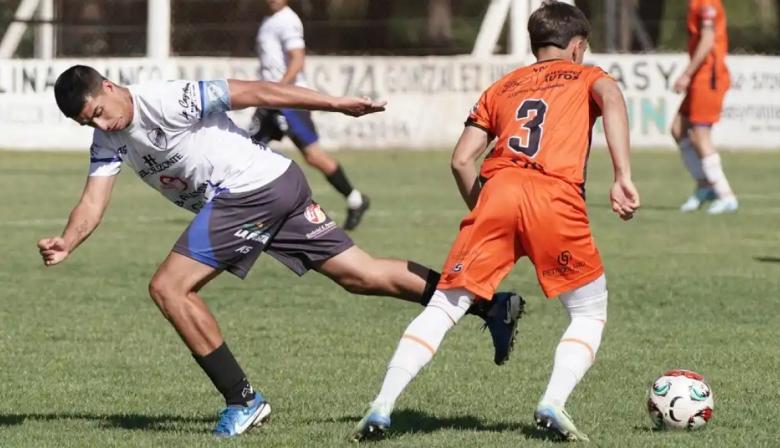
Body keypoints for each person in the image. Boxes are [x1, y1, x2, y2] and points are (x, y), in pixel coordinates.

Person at [38, 65, 523, 438]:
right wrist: (68, 240)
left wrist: (334, 104)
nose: (101, 123)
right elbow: (92, 202)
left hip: (249, 191)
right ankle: (490, 304)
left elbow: (260, 91)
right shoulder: (109, 139)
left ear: (107, 85)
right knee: (361, 274)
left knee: (169, 287)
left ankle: (243, 400)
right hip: (275, 184)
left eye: (98, 112)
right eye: (88, 123)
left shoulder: (166, 99)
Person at [351, 1, 640, 442]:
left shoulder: (503, 85)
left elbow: (461, 159)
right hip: (554, 196)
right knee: (587, 311)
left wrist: (485, 210)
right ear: (578, 47)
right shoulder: (588, 76)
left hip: (499, 189)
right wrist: (622, 175)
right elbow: (613, 99)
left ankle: (382, 405)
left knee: (446, 306)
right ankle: (553, 401)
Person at [252, 0, 369, 230]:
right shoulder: (269, 20)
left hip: (289, 99)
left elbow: (297, 59)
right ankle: (242, 208)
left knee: (314, 156)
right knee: (249, 148)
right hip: (270, 98)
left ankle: (355, 199)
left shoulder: (287, 20)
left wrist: (279, 90)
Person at [671, 0, 737, 214]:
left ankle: (726, 195)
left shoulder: (707, 2)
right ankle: (705, 185)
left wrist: (687, 73)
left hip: (709, 77)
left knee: (701, 135)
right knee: (678, 128)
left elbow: (708, 40)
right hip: (700, 76)